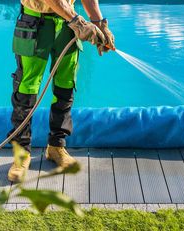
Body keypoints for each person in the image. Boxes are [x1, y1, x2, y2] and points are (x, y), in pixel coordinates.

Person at [7, 0, 115, 181]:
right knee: (26, 88)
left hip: (67, 24)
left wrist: (99, 24)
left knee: (65, 85)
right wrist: (79, 23)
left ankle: (56, 147)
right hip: (35, 22)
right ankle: (21, 154)